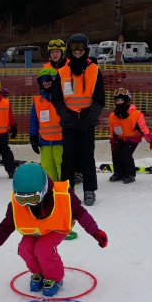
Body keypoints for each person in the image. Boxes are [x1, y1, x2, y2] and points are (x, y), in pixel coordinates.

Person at [0, 162, 108, 298]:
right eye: (22, 199)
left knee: (43, 248)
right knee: (24, 248)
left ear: (44, 189)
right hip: (35, 228)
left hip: (57, 226)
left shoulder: (63, 196)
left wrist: (95, 232)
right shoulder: (16, 205)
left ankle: (54, 278)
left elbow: (81, 214)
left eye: (33, 198)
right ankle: (38, 273)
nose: (28, 203)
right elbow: (6, 226)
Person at [51, 33, 105, 206]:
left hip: (86, 120)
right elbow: (56, 98)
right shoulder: (62, 72)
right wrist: (66, 115)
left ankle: (89, 190)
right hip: (69, 121)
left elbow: (99, 100)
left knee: (87, 156)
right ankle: (66, 191)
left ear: (87, 49)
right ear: (69, 50)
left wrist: (89, 119)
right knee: (68, 158)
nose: (77, 52)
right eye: (74, 48)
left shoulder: (95, 71)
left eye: (81, 47)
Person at [108, 88, 152, 183]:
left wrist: (151, 141)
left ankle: (130, 174)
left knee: (125, 153)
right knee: (116, 153)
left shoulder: (136, 114)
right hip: (121, 137)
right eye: (117, 100)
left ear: (127, 100)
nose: (119, 102)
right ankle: (118, 173)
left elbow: (144, 128)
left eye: (122, 100)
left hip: (133, 138)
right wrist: (113, 141)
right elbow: (112, 130)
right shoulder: (113, 115)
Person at [29, 67, 63, 182]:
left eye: (48, 79)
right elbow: (34, 120)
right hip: (44, 142)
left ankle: (64, 191)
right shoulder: (38, 101)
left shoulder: (62, 99)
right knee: (48, 169)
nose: (46, 82)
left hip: (61, 141)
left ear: (54, 80)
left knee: (62, 167)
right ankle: (51, 191)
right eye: (42, 80)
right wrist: (33, 137)